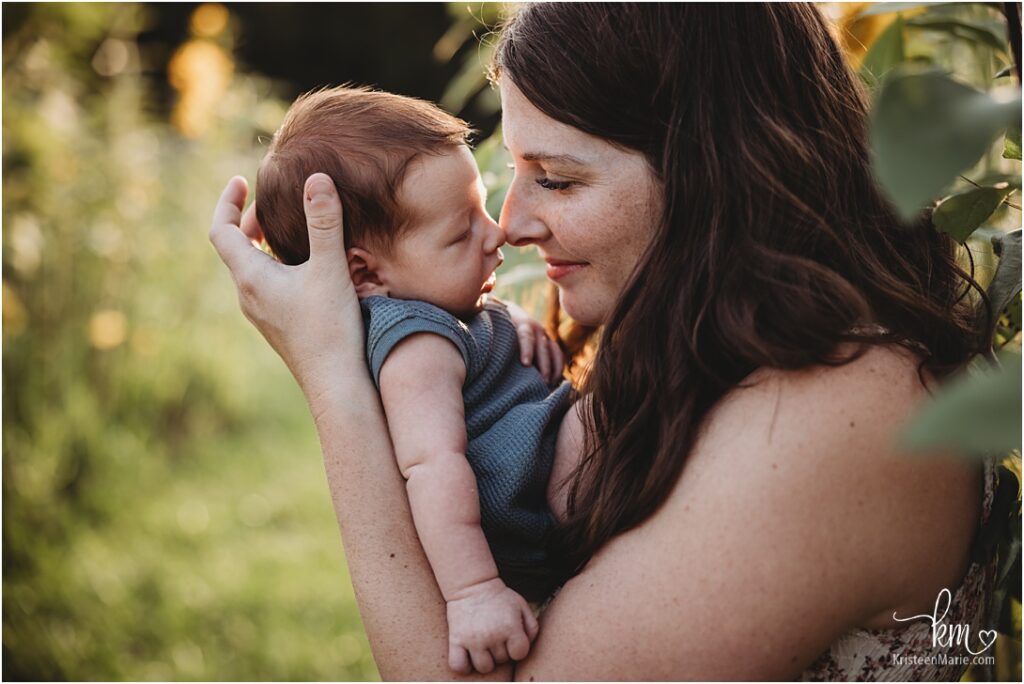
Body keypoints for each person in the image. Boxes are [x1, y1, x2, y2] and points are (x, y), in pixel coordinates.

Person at [210, 4, 996, 680]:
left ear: (712, 170)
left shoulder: (838, 412)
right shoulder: (694, 336)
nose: (511, 226)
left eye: (556, 179)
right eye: (515, 170)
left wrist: (334, 377)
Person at [254, 86, 573, 671]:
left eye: (480, 209)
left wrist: (516, 321)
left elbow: (476, 347)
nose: (495, 233)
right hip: (528, 511)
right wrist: (474, 592)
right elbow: (432, 467)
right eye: (460, 233)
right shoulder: (416, 344)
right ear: (364, 274)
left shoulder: (436, 306)